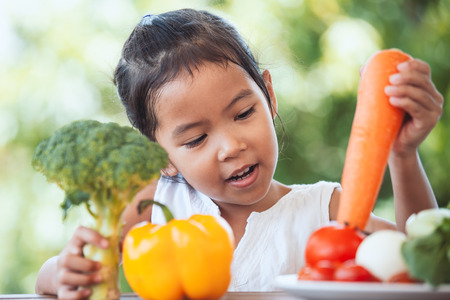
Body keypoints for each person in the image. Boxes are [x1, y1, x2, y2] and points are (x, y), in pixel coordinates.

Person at [35, 8, 444, 299]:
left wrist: (403, 156)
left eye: (244, 112)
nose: (232, 146)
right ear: (158, 154)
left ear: (269, 94)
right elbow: (50, 278)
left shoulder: (327, 209)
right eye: (196, 139)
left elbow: (424, 264)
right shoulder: (154, 204)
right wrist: (66, 274)